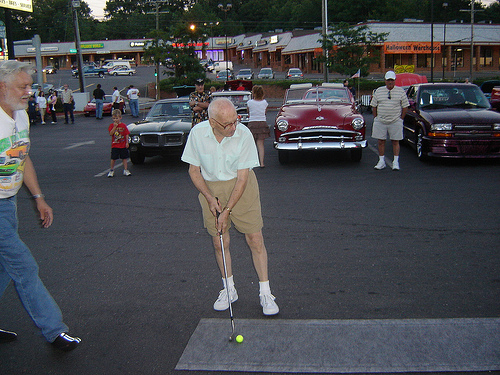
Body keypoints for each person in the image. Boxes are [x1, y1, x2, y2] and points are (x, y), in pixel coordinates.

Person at [0, 60, 81, 351]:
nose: (29, 91)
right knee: (23, 265)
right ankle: (54, 330)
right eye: (22, 86)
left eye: (29, 85)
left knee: (4, 268)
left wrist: (38, 198)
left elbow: (23, 158)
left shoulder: (20, 117)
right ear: (2, 87)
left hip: (8, 203)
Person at [181, 98, 279, 316]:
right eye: (228, 124)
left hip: (241, 187)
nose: (234, 127)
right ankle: (229, 289)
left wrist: (226, 211)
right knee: (219, 242)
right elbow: (193, 171)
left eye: (236, 120)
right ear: (212, 122)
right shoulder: (197, 134)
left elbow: (243, 179)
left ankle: (265, 292)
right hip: (211, 188)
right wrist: (208, 197)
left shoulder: (243, 134)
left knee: (255, 239)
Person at [370, 71, 409, 171]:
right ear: (385, 81)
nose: (390, 82)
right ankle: (381, 161)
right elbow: (374, 105)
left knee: (395, 141)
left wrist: (401, 119)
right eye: (388, 80)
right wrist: (376, 118)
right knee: (380, 141)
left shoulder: (400, 91)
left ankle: (395, 161)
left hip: (395, 120)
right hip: (381, 120)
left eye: (392, 80)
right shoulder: (379, 91)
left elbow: (405, 106)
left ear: (395, 80)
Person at [247, 85, 270, 167]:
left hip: (252, 123)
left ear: (254, 93)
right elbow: (265, 113)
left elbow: (248, 112)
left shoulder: (249, 103)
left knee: (251, 144)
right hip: (262, 123)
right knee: (260, 144)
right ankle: (262, 163)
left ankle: (252, 162)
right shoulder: (265, 103)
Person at [107, 109, 131, 177]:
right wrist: (115, 127)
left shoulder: (123, 125)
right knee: (113, 158)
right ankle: (111, 170)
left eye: (117, 118)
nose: (115, 120)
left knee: (124, 157)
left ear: (120, 118)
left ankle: (125, 170)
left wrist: (127, 142)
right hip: (115, 145)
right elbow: (111, 133)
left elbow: (126, 134)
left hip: (122, 144)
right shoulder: (111, 126)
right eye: (114, 118)